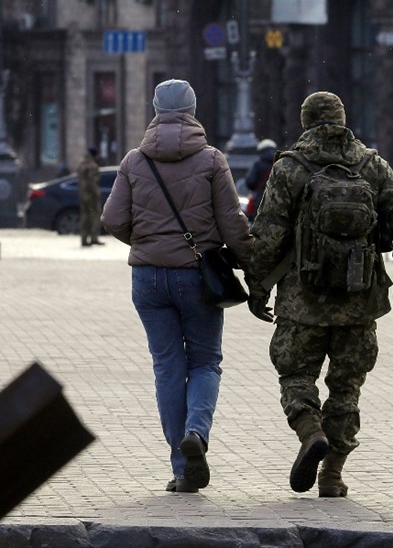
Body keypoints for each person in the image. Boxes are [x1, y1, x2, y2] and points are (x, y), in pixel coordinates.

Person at [246, 91, 393, 499]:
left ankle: (310, 430)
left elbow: (269, 232)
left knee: (295, 374)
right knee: (346, 389)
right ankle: (333, 475)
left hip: (301, 300)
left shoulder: (290, 167)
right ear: (343, 120)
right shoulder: (371, 165)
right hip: (360, 302)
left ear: (305, 122)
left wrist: (257, 286)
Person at [101, 79, 252, 494]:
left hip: (147, 278)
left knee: (168, 366)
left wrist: (148, 242)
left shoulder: (135, 161)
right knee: (204, 362)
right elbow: (233, 225)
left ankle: (183, 468)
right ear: (193, 108)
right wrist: (251, 264)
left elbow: (112, 219)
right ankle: (197, 434)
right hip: (196, 276)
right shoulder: (211, 160)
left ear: (154, 109)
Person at [243, 138, 277, 222]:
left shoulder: (258, 165)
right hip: (277, 200)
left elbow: (250, 182)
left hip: (260, 199)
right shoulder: (280, 163)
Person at [77, 146, 103, 247]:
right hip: (91, 194)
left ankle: (84, 239)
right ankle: (94, 238)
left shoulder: (81, 164)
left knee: (85, 216)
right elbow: (92, 182)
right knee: (95, 215)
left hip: (82, 194)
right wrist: (96, 194)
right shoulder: (93, 166)